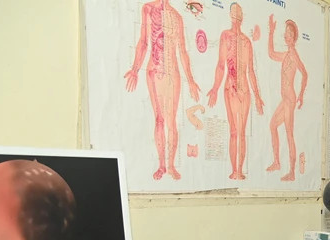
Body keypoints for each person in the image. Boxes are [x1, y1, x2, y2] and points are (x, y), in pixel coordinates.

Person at [124, 0, 200, 181]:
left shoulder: (177, 17)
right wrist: (135, 69)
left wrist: (190, 79)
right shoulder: (148, 9)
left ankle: (171, 165)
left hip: (173, 72)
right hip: (155, 69)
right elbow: (143, 42)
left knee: (171, 120)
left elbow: (182, 51)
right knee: (159, 118)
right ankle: (162, 165)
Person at [207, 2, 264, 181]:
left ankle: (240, 170)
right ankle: (234, 170)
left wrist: (258, 95)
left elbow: (251, 71)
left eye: (239, 12)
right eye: (234, 11)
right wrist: (215, 89)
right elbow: (220, 65)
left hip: (245, 90)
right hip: (230, 88)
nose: (236, 15)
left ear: (241, 16)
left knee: (242, 131)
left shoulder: (247, 41)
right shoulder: (225, 36)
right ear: (230, 15)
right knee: (234, 131)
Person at [266, 15, 308, 182]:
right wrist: (271, 32)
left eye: (289, 34)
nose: (285, 36)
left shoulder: (294, 55)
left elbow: (305, 73)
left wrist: (302, 94)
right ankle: (277, 162)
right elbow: (270, 53)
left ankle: (292, 172)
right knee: (272, 126)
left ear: (294, 38)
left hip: (290, 99)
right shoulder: (286, 55)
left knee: (289, 133)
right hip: (285, 99)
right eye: (285, 33)